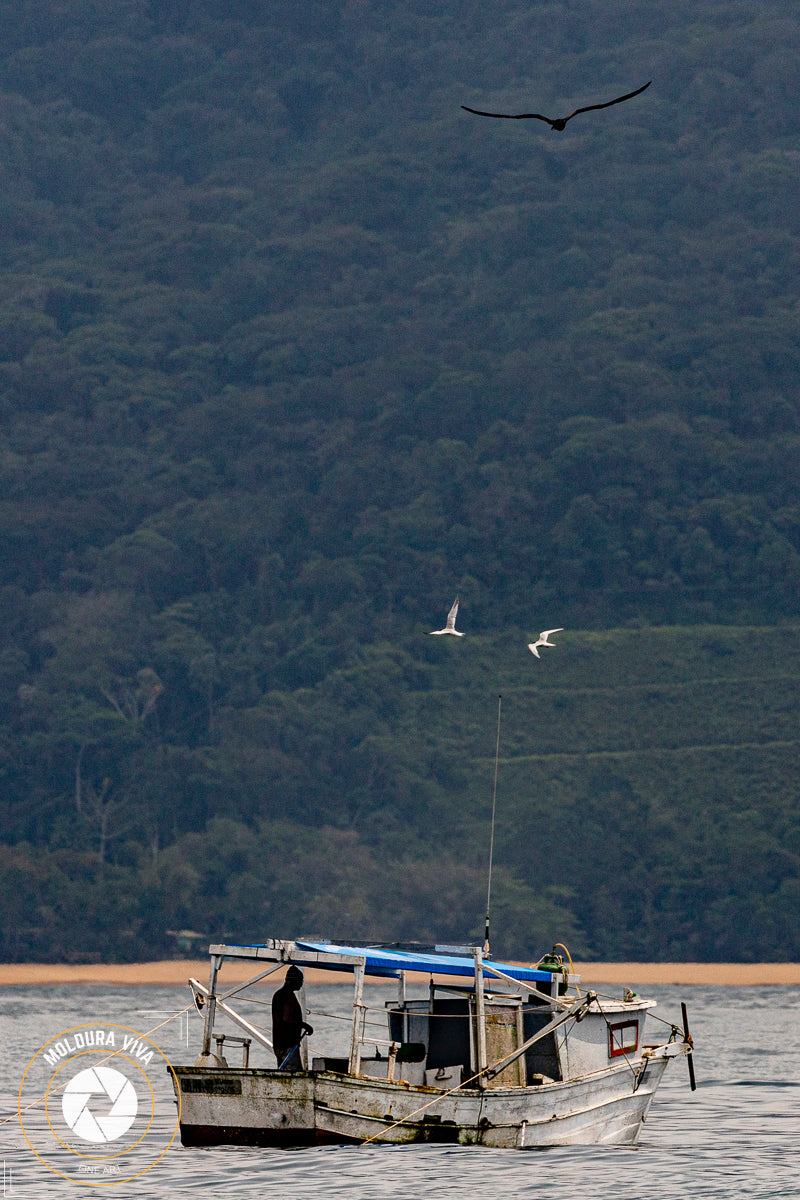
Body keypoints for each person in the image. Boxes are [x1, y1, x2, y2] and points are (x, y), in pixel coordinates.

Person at [271, 965, 313, 1069]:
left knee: (283, 1072)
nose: (301, 984)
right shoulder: (287, 995)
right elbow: (287, 1018)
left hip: (279, 1044)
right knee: (293, 1072)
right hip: (288, 1045)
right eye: (300, 981)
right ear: (292, 981)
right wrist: (305, 1026)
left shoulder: (278, 994)